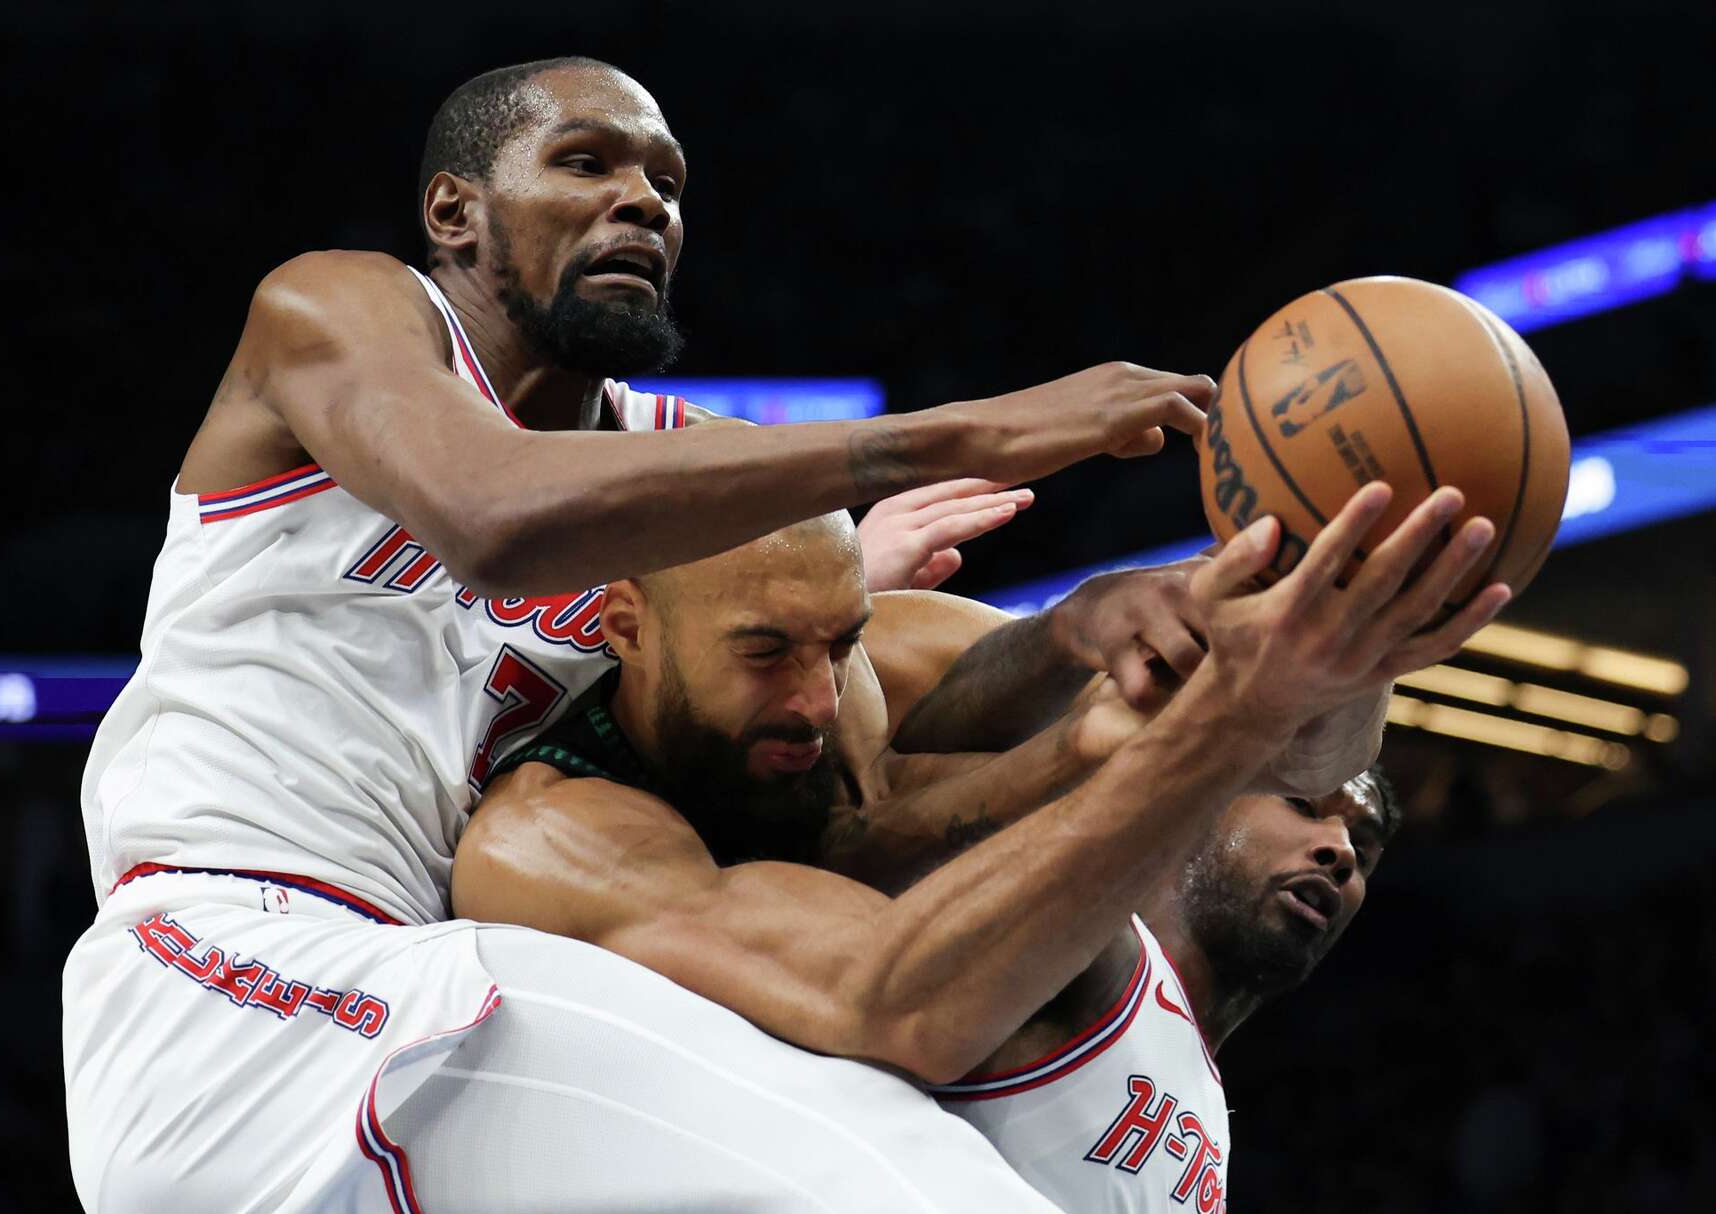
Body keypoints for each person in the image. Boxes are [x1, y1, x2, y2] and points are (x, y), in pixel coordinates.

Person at [63, 54, 1227, 1212]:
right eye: (585, 162)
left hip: (438, 988)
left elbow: (850, 772)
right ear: (452, 210)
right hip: (238, 978)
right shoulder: (340, 311)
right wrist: (971, 430)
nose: (641, 201)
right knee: (884, 1173)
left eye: (666, 182)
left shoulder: (684, 463)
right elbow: (492, 513)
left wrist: (849, 596)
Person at [455, 485, 1501, 1207]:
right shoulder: (554, 835)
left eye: (842, 639)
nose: (820, 695)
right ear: (626, 624)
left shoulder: (864, 667)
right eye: (766, 650)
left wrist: (1348, 582)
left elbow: (1304, 745)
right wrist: (1215, 720)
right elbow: (892, 999)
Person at [930, 772, 1397, 1213]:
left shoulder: (1208, 1108)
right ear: (1205, 805)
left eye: (1364, 848)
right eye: (1302, 805)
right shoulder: (1096, 955)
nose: (1342, 851)